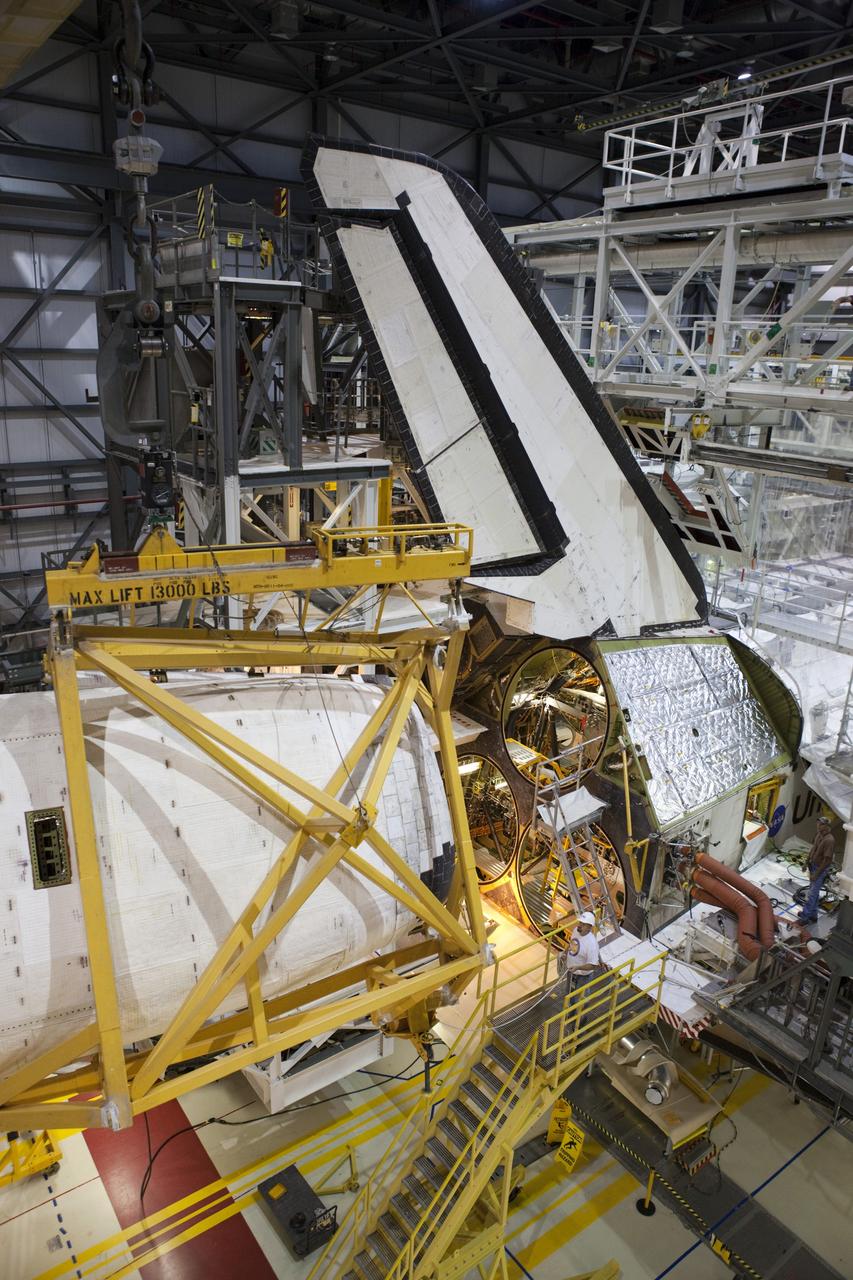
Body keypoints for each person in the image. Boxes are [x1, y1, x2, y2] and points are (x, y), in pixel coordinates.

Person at [798, 815, 836, 924]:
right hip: (813, 866)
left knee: (811, 894)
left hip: (820, 869)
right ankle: (813, 915)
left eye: (820, 824)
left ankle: (805, 917)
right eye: (818, 823)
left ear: (826, 826)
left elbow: (827, 861)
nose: (818, 826)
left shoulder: (829, 840)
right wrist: (806, 863)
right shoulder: (819, 835)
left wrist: (816, 874)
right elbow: (813, 849)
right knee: (813, 892)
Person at [558, 911, 601, 996]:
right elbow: (572, 943)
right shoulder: (576, 931)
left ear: (589, 927)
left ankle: (581, 1005)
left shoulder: (592, 944)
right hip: (571, 971)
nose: (580, 925)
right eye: (580, 922)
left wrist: (578, 967)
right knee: (569, 993)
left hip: (583, 976)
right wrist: (565, 954)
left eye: (583, 924)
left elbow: (593, 965)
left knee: (579, 998)